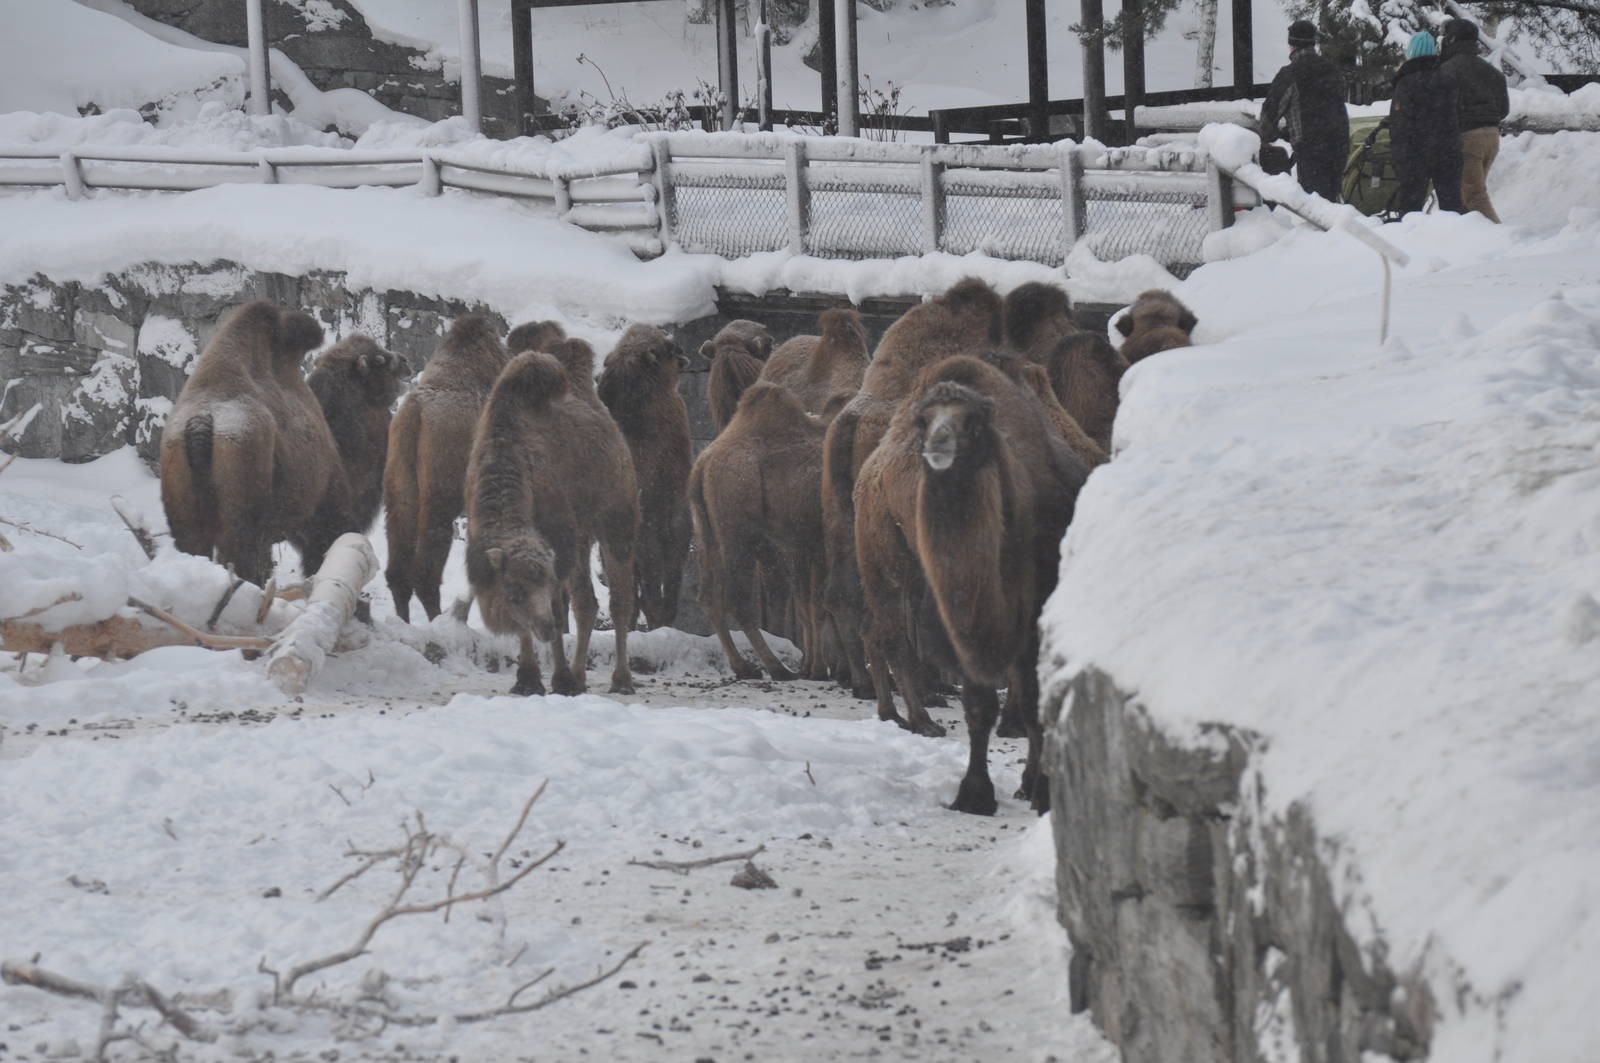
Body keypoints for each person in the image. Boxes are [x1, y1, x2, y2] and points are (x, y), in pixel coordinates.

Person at [1260, 19, 1351, 202]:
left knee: (1316, 209)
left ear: (1291, 44)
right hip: (1339, 145)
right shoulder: (1332, 70)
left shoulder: (1289, 74)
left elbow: (1269, 115)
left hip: (1312, 151)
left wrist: (1270, 136)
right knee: (1332, 202)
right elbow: (1329, 107)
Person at [1439, 18, 1510, 222]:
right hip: (1492, 137)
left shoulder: (1448, 70)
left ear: (1451, 39)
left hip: (1467, 138)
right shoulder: (1491, 72)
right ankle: (1473, 241)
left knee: (1474, 197)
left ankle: (1498, 238)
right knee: (1469, 194)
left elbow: (1442, 108)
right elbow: (1504, 109)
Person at [1390, 31, 1465, 216]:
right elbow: (1459, 115)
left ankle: (1411, 238)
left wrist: (1399, 157)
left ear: (1412, 53)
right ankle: (1456, 237)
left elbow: (1401, 125)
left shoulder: (1406, 83)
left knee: (1410, 207)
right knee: (1452, 204)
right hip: (1448, 151)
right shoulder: (1448, 80)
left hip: (1415, 154)